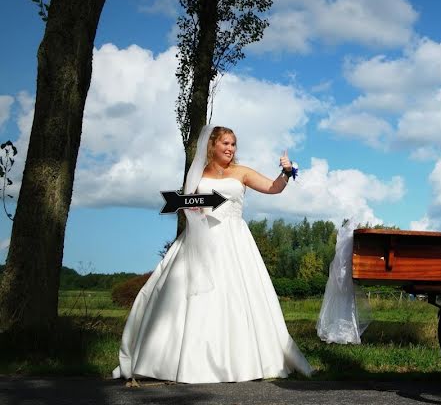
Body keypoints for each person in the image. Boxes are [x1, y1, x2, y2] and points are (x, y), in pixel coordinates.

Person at [113, 125, 314, 383]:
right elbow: (187, 204)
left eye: (233, 144)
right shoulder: (198, 173)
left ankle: (243, 361)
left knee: (238, 297)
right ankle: (180, 360)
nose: (230, 149)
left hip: (235, 241)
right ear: (213, 146)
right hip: (201, 238)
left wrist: (286, 172)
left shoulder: (242, 173)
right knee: (187, 296)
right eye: (225, 144)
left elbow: (273, 188)